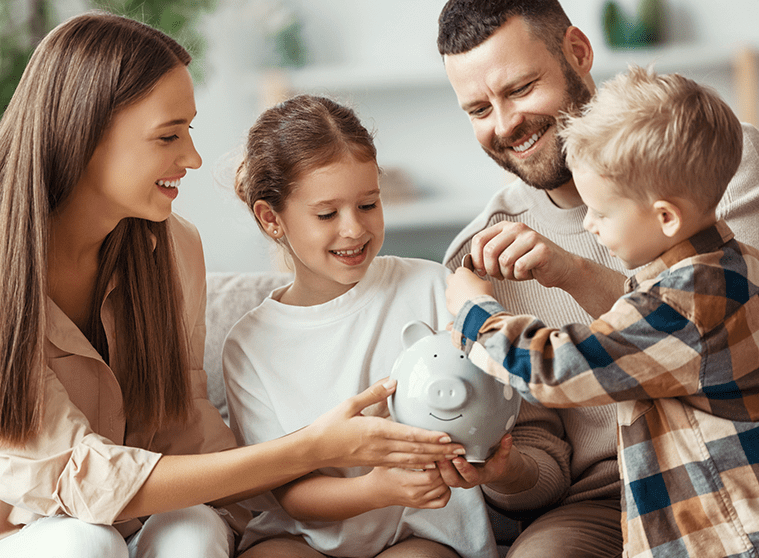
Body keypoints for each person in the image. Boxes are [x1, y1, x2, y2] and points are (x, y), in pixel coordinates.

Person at [0, 12, 464, 558]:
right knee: (83, 542)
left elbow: (187, 433)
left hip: (129, 519)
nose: (193, 158)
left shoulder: (171, 249)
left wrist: (338, 466)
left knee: (193, 532)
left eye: (189, 131)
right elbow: (81, 479)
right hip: (31, 530)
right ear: (85, 135)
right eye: (168, 136)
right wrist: (310, 447)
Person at [435, 1, 759, 557]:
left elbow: (587, 355)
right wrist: (500, 467)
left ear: (578, 53)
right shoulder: (481, 249)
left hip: (723, 492)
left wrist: (475, 316)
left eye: (520, 88)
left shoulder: (714, 160)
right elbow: (666, 319)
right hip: (607, 501)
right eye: (478, 108)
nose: (505, 122)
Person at [223, 94, 497, 558]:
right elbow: (290, 494)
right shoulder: (249, 346)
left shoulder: (431, 287)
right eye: (327, 214)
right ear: (272, 219)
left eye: (368, 204)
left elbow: (493, 393)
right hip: (304, 536)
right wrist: (377, 489)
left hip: (421, 532)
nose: (354, 229)